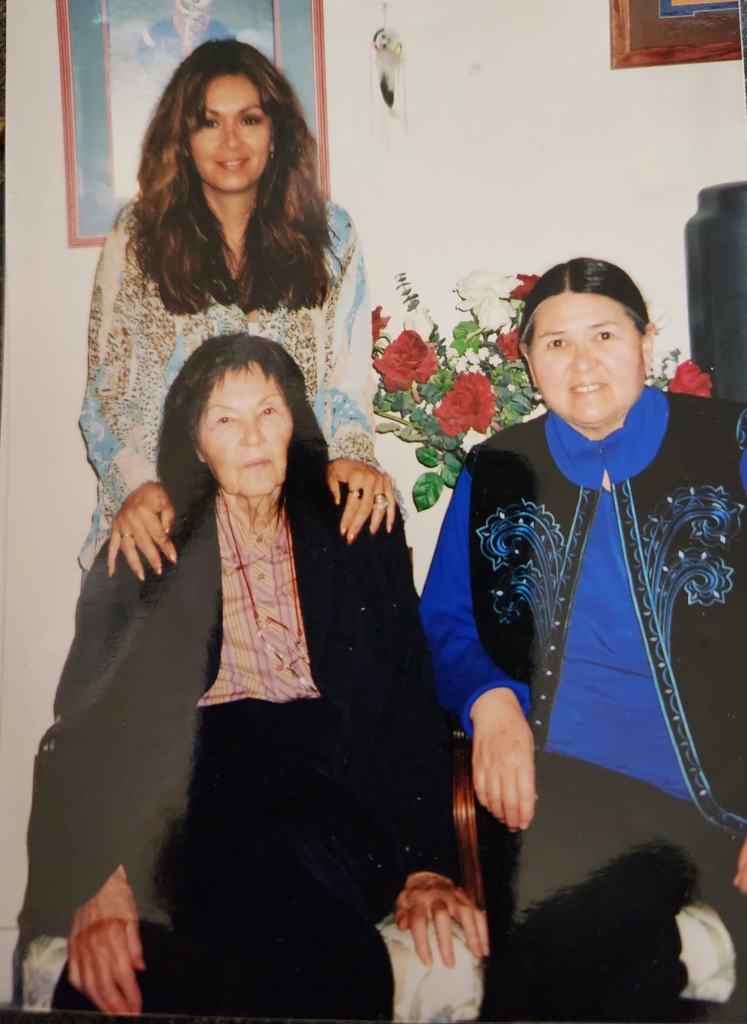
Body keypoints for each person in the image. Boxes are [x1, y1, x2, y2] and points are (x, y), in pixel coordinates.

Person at [20, 335, 487, 1019]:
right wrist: (100, 878)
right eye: (225, 419)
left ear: (296, 420)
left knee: (281, 867)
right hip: (192, 798)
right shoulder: (146, 547)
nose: (252, 437)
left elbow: (406, 703)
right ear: (195, 441)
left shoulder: (358, 526)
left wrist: (425, 864)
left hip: (334, 792)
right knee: (273, 894)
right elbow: (89, 725)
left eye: (269, 411)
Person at [421, 258, 747, 1022]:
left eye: (603, 334)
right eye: (555, 344)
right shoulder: (497, 468)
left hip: (725, 788)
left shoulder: (729, 442)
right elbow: (445, 621)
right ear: (528, 363)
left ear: (645, 339)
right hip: (567, 783)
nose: (583, 361)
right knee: (570, 943)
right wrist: (490, 701)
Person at [80, 38, 394, 578]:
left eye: (249, 119)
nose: (231, 140)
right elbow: (112, 396)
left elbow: (346, 382)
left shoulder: (331, 234)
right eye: (208, 122)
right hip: (173, 510)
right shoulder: (139, 239)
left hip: (296, 506)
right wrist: (135, 485)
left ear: (276, 133)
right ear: (182, 139)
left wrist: (354, 455)